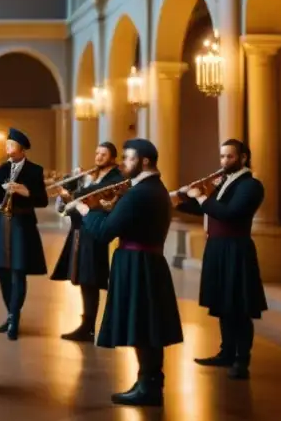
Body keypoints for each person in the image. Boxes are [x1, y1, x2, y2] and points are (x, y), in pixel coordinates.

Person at [72, 138, 183, 406]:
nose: (123, 163)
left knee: (142, 325)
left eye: (129, 158)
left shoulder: (139, 193)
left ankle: (148, 386)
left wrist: (86, 209)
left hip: (137, 263)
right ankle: (148, 381)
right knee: (147, 325)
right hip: (147, 261)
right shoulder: (154, 188)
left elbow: (104, 232)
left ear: (144, 161)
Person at [173, 138, 267, 379]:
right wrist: (181, 200)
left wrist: (203, 197)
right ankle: (226, 353)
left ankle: (242, 361)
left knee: (239, 307)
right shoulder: (225, 181)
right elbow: (206, 209)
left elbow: (229, 213)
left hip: (236, 249)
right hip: (217, 247)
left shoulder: (251, 185)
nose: (224, 161)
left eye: (230, 157)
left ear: (243, 158)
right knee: (225, 304)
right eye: (222, 156)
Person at [51, 141, 124, 341]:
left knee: (90, 279)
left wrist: (77, 188)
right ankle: (87, 324)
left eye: (103, 154)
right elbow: (78, 201)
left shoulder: (115, 178)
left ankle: (89, 326)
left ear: (113, 158)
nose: (98, 157)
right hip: (80, 231)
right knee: (83, 278)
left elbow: (95, 194)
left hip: (95, 231)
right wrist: (69, 191)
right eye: (97, 153)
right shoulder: (94, 175)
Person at [0, 128, 48, 340]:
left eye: (10, 145)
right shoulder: (2, 168)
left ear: (21, 148)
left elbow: (42, 200)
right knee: (2, 270)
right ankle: (11, 314)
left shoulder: (34, 170)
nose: (7, 148)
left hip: (22, 224)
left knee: (18, 271)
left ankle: (15, 317)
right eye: (7, 145)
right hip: (2, 223)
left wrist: (25, 191)